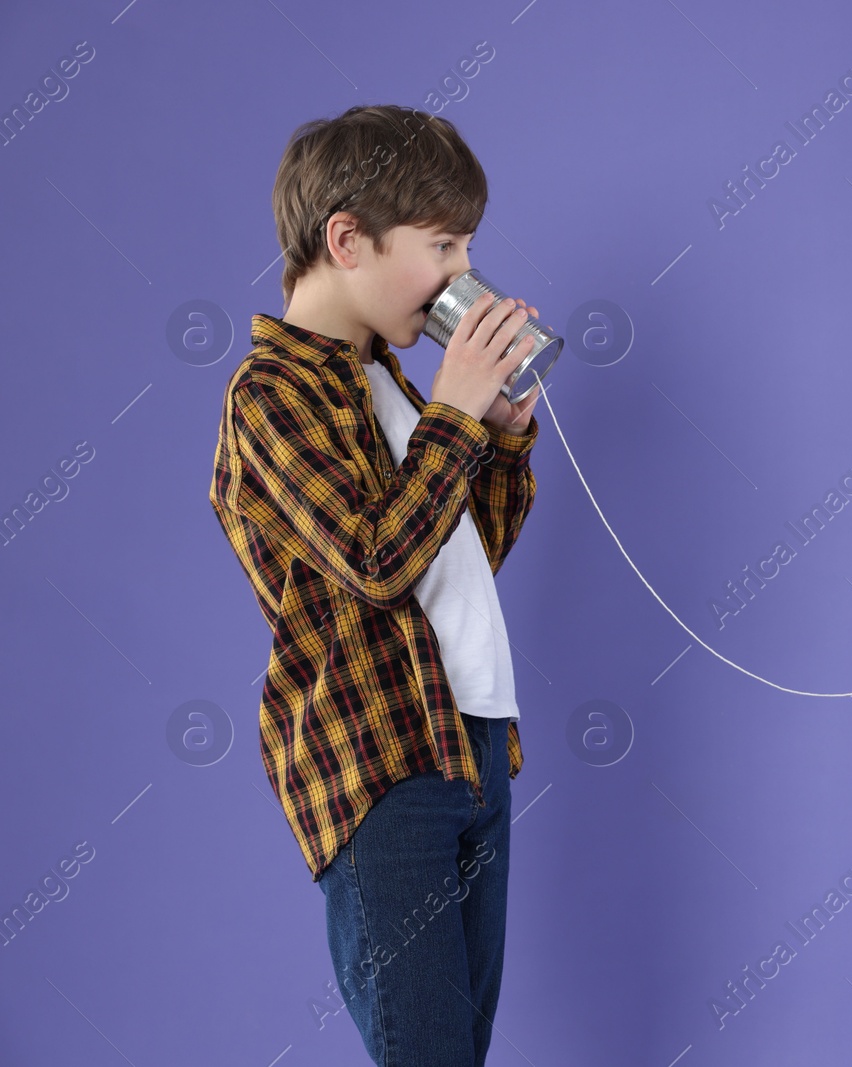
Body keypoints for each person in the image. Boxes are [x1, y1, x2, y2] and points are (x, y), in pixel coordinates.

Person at [209, 104, 545, 1066]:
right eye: (442, 242)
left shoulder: (391, 382)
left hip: (473, 740)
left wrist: (501, 435)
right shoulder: (271, 393)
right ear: (346, 240)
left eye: (468, 243)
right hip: (380, 764)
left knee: (460, 1049)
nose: (462, 272)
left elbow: (460, 553)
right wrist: (452, 416)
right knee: (426, 1051)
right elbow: (377, 561)